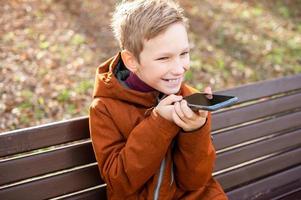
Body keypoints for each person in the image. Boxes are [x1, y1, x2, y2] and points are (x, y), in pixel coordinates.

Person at [89, 0, 227, 199]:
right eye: (164, 58)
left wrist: (195, 131)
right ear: (132, 61)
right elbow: (119, 183)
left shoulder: (190, 99)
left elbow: (195, 181)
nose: (180, 68)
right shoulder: (105, 109)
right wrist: (159, 123)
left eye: (184, 53)